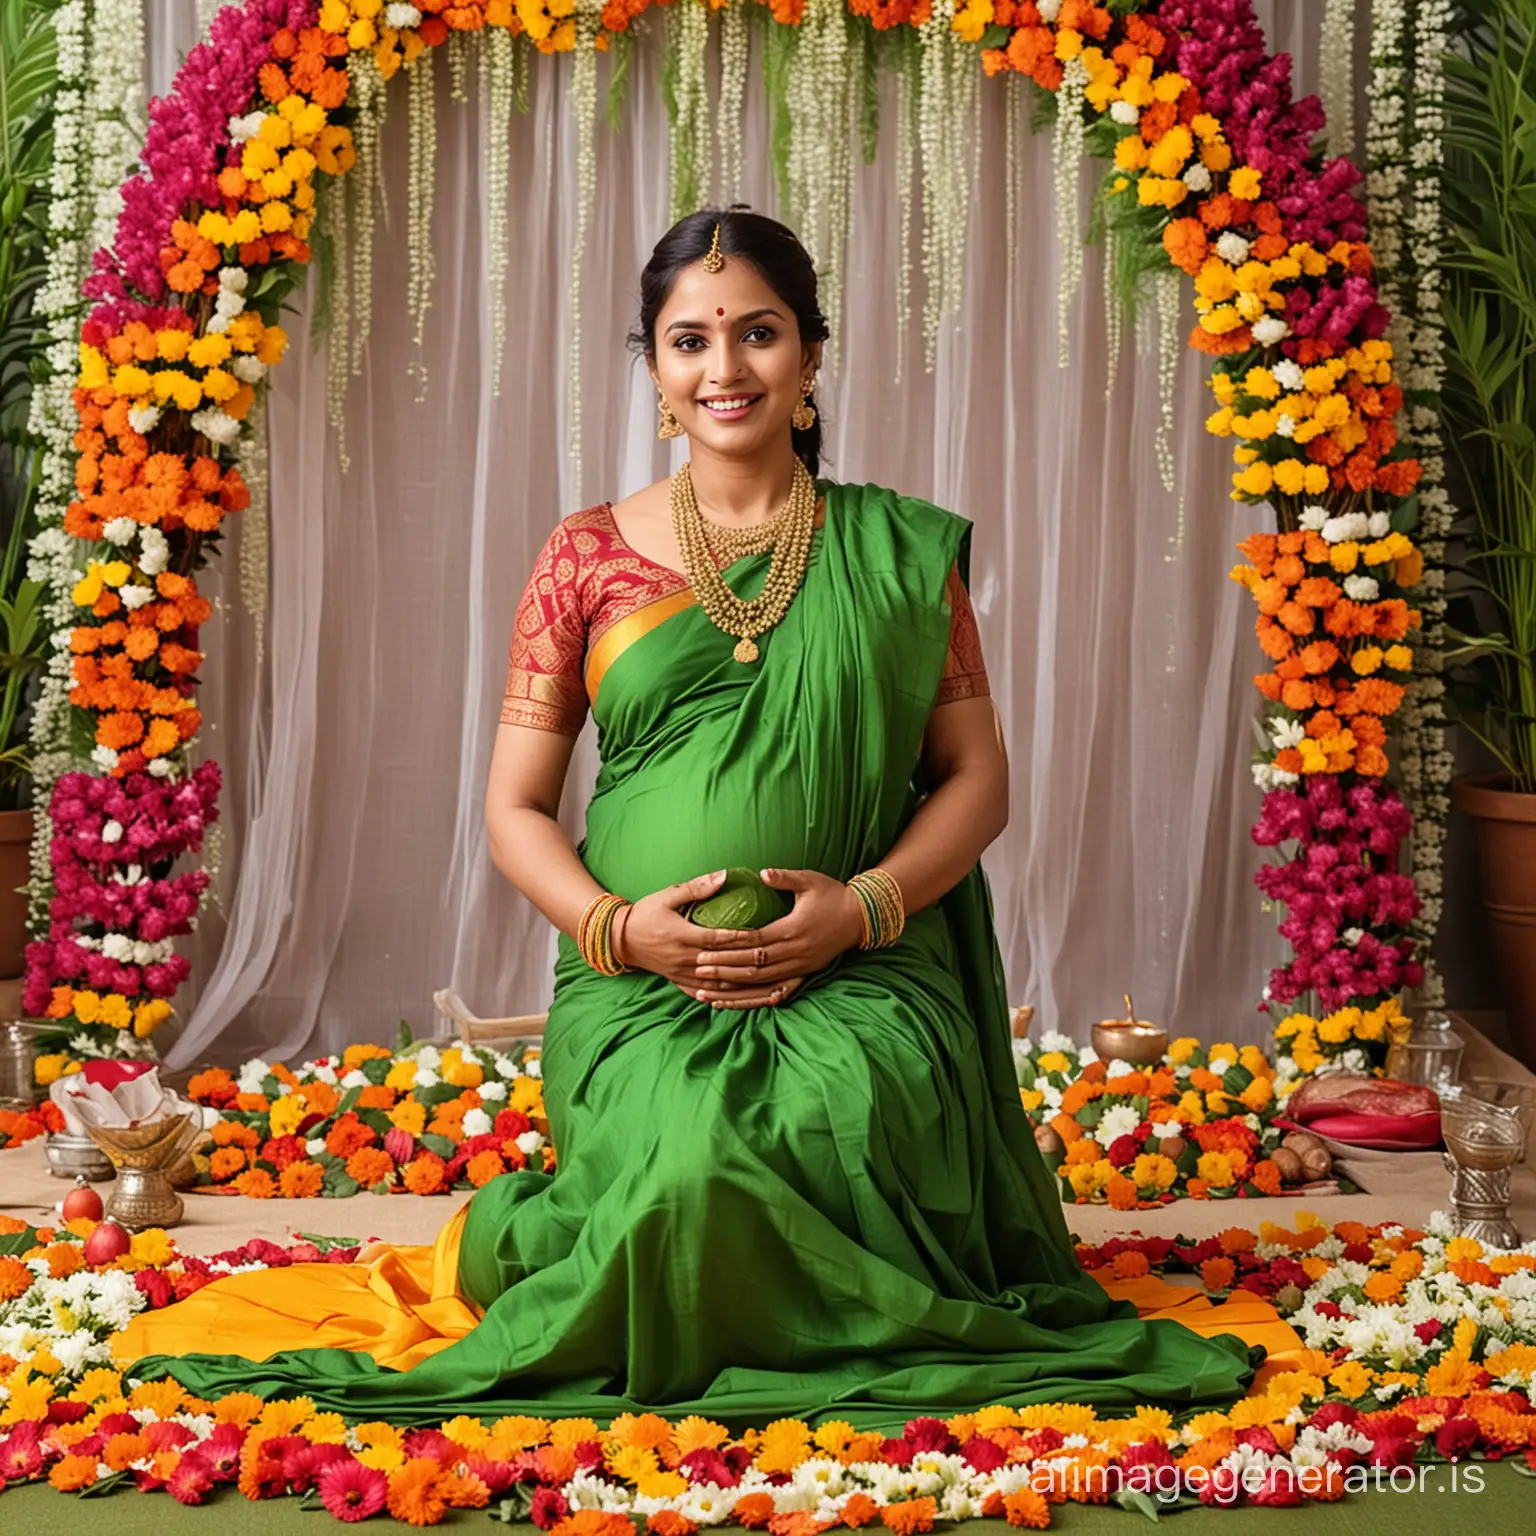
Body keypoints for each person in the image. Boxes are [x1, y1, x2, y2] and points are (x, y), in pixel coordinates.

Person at [117, 208, 1295, 1432]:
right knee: (687, 1162)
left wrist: (864, 909)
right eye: (690, 340)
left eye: (759, 334)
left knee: (844, 1118)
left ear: (811, 356)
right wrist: (620, 929)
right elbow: (514, 810)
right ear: (655, 370)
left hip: (869, 970)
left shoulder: (898, 552)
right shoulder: (583, 558)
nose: (725, 368)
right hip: (633, 978)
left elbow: (976, 779)